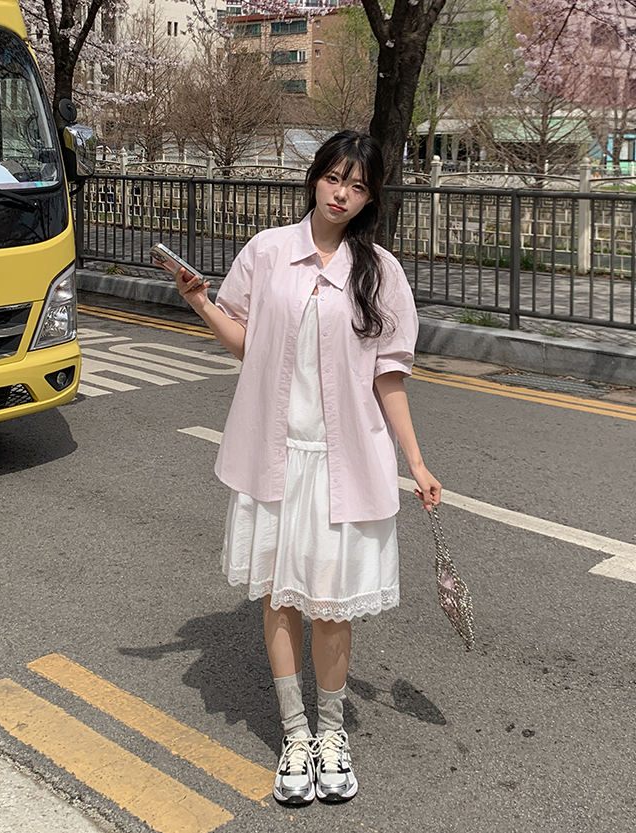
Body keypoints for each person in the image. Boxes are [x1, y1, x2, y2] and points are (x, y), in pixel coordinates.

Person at [173, 130, 441, 806]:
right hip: (277, 456)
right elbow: (247, 341)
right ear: (315, 178)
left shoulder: (379, 272)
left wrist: (416, 462)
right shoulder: (267, 252)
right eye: (333, 177)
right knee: (280, 596)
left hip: (342, 461)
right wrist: (201, 301)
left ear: (370, 198)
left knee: (331, 604)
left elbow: (389, 376)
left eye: (357, 185)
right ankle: (295, 733)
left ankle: (331, 732)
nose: (341, 193)